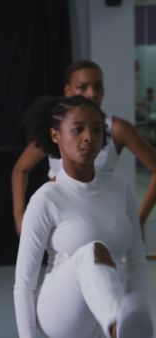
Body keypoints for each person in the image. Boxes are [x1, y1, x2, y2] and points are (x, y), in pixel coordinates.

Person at [14, 95, 153, 338]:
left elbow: (137, 262)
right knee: (92, 252)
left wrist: (142, 315)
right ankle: (117, 326)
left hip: (111, 305)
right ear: (56, 135)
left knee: (122, 271)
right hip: (61, 312)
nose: (89, 137)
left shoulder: (122, 188)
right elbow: (24, 284)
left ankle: (122, 326)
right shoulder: (46, 198)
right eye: (78, 130)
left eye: (97, 130)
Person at [11, 60, 156, 235]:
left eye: (97, 86)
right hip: (60, 222)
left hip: (104, 220)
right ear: (68, 91)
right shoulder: (57, 127)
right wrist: (20, 216)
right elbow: (20, 169)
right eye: (83, 87)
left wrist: (139, 219)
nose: (92, 93)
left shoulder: (117, 128)